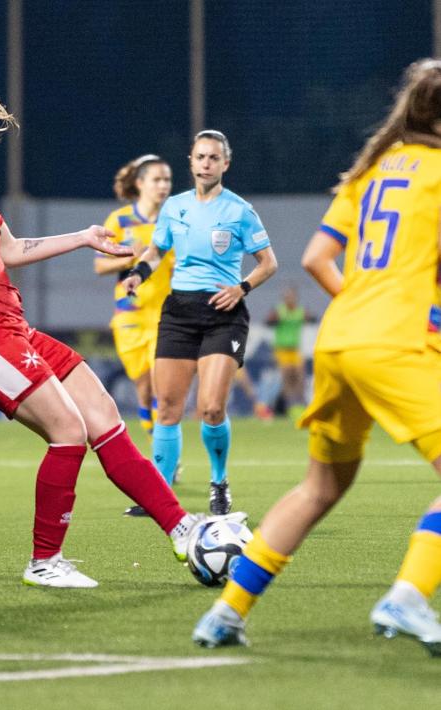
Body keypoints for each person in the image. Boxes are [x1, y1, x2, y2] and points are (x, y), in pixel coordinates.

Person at [0, 88, 242, 588]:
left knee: (103, 416)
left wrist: (81, 238)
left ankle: (182, 530)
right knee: (69, 431)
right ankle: (44, 561)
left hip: (13, 326)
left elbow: (9, 250)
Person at [192, 58, 441, 655]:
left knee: (319, 487)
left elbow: (315, 258)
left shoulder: (373, 171)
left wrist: (368, 307)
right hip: (395, 342)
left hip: (340, 335)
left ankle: (225, 613)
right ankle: (408, 596)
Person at [121, 130, 279, 515]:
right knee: (168, 408)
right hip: (179, 312)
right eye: (200, 157)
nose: (206, 163)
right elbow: (157, 250)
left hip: (223, 314)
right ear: (191, 162)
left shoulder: (239, 210)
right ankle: (159, 494)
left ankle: (219, 482)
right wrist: (138, 274)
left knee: (210, 408)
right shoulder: (174, 207)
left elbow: (269, 263)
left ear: (225, 163)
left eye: (213, 158)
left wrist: (241, 288)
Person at [95, 154, 174, 516]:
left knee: (161, 387)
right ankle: (157, 445)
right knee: (144, 388)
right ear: (140, 183)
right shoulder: (120, 220)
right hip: (129, 315)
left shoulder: (175, 218)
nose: (163, 186)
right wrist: (130, 256)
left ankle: (162, 462)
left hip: (167, 314)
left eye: (167, 180)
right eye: (157, 179)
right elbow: (100, 265)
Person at [265, 285, 315, 417]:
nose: (289, 299)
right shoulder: (280, 311)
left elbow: (312, 318)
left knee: (299, 376)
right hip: (281, 349)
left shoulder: (300, 311)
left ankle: (300, 405)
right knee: (287, 376)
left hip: (295, 349)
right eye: (287, 297)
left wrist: (309, 318)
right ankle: (289, 406)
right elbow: (269, 321)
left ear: (295, 298)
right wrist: (274, 320)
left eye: (291, 297)